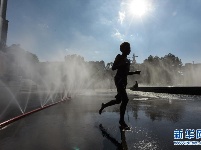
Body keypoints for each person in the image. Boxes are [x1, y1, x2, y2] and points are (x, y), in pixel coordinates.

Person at [99, 42, 140, 128]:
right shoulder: (119, 57)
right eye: (127, 48)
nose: (129, 50)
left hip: (124, 81)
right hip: (118, 80)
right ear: (122, 49)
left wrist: (135, 72)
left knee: (118, 101)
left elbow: (126, 72)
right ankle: (121, 121)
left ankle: (104, 105)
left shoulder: (128, 61)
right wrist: (121, 64)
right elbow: (113, 67)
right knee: (125, 100)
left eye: (130, 48)